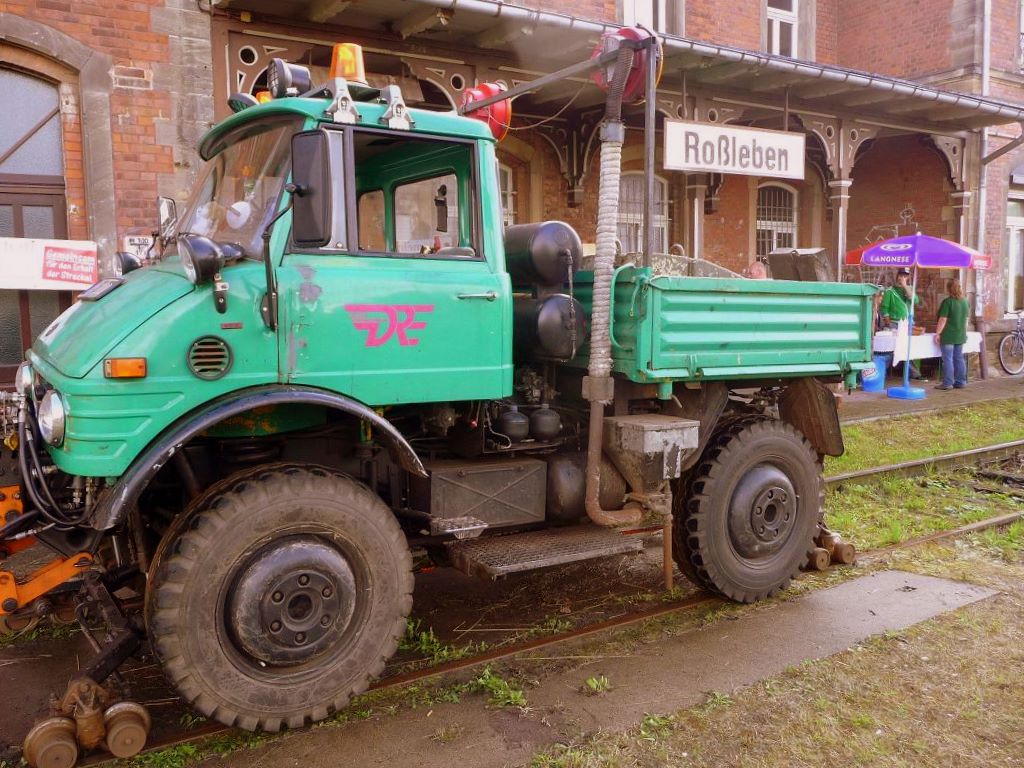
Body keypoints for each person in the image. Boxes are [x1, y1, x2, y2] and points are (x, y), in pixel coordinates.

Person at [879, 267, 924, 380]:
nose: (903, 278)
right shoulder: (890, 291)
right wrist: (888, 324)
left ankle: (914, 373)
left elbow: (916, 301)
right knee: (894, 349)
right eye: (901, 275)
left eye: (905, 276)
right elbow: (884, 309)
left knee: (907, 348)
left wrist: (905, 286)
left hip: (908, 324)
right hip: (895, 324)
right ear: (897, 276)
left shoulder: (909, 289)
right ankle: (881, 370)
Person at [934, 278, 970, 390]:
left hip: (948, 335)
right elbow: (966, 320)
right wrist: (965, 332)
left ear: (948, 288)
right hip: (960, 334)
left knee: (948, 359)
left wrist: (937, 333)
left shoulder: (948, 302)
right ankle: (961, 381)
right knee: (959, 358)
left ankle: (948, 383)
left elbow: (943, 319)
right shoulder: (965, 302)